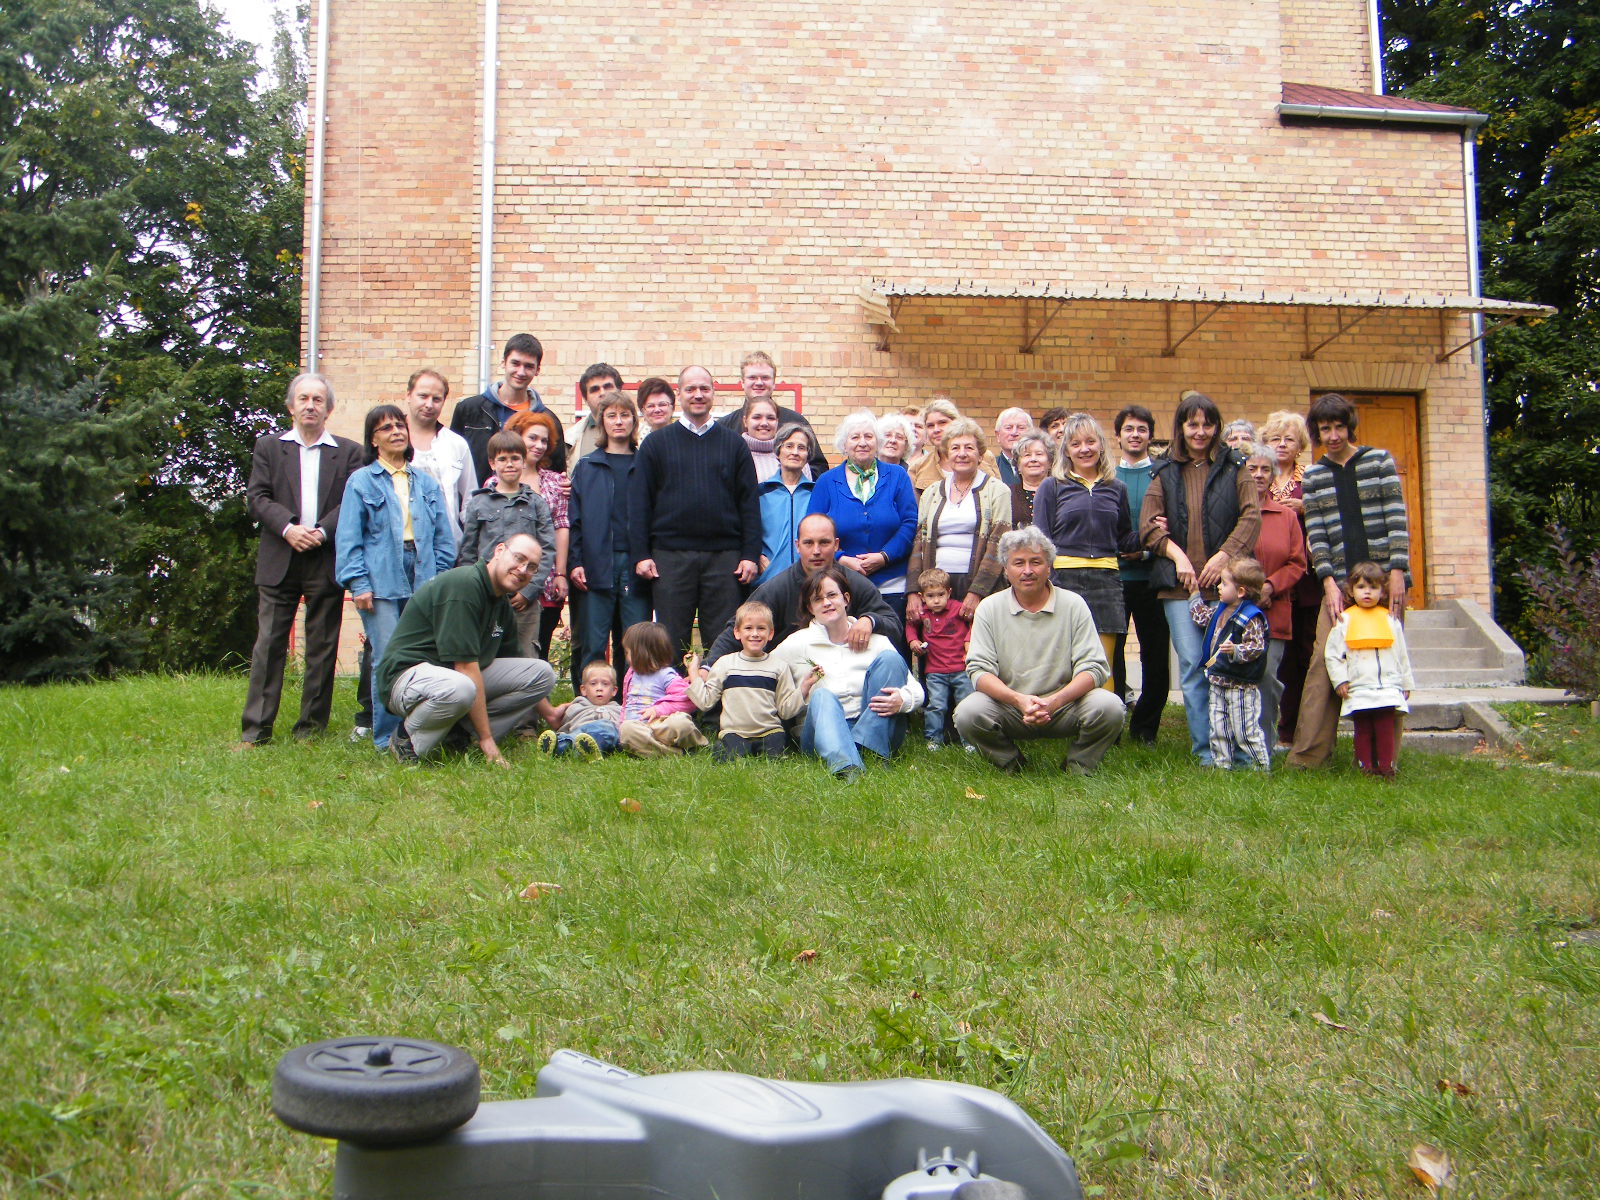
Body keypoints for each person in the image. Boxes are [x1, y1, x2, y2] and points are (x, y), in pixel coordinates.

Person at [239, 372, 364, 747]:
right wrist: (288, 528)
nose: (311, 405)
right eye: (304, 399)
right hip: (280, 557)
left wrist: (322, 531)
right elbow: (257, 497)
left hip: (324, 557)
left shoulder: (350, 452)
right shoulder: (268, 447)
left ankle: (310, 729)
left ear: (329, 408)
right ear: (291, 406)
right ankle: (256, 730)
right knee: (268, 646)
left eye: (318, 400)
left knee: (322, 647)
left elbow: (352, 501)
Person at [1288, 394, 1411, 769]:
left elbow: (1396, 518)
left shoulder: (1379, 461)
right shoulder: (1315, 476)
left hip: (1384, 583)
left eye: (1339, 427)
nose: (1333, 435)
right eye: (1325, 428)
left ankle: (1385, 759)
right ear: (1317, 432)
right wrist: (1327, 581)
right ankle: (1308, 756)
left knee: (1386, 665)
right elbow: (1318, 535)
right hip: (1341, 586)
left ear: (1349, 426)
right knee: (1322, 664)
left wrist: (1397, 572)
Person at [1139, 391, 1261, 765]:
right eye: (1193, 424)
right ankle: (1207, 752)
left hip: (1228, 588)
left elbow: (1251, 517)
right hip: (1181, 589)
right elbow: (1147, 526)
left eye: (1208, 424)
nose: (1200, 431)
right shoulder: (1164, 470)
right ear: (1181, 427)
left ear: (1217, 427)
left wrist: (1224, 557)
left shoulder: (1235, 466)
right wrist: (1178, 557)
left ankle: (1239, 748)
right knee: (1193, 666)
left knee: (1229, 665)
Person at [954, 527, 1125, 774]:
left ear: (1049, 567)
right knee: (968, 713)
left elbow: (1095, 667)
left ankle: (1079, 765)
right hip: (1011, 707)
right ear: (1006, 570)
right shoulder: (989, 608)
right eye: (1018, 563)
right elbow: (979, 671)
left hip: (1066, 705)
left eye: (1036, 562)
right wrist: (1019, 700)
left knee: (1110, 707)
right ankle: (1011, 764)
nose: (1027, 570)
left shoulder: (1074, 604)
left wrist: (1055, 702)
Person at [378, 533, 559, 765]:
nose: (523, 569)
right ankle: (406, 741)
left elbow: (515, 663)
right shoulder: (464, 585)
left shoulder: (501, 602)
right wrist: (487, 739)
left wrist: (550, 713)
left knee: (541, 674)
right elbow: (465, 667)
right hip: (406, 677)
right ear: (499, 551)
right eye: (519, 558)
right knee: (462, 687)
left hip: (449, 680)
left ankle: (460, 736)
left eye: (531, 567)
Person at [334, 404, 457, 750]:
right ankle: (385, 738)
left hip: (423, 575)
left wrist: (439, 581)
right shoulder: (361, 481)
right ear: (373, 440)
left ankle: (414, 731)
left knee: (422, 655)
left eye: (400, 425)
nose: (396, 432)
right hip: (381, 578)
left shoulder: (426, 482)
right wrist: (359, 583)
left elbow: (443, 539)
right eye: (386, 428)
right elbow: (348, 537)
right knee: (387, 656)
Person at [629, 365, 761, 661]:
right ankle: (674, 693)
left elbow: (749, 504)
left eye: (704, 388)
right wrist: (641, 554)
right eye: (690, 389)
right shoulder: (656, 444)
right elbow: (639, 504)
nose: (698, 395)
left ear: (714, 392)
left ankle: (717, 692)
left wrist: (750, 555)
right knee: (670, 642)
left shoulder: (734, 444)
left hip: (725, 560)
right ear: (679, 394)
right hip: (669, 559)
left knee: (724, 642)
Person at [770, 565, 924, 780]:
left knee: (890, 659)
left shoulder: (878, 641)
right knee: (821, 695)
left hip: (873, 725)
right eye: (818, 599)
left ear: (846, 599)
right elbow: (763, 669)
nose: (826, 603)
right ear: (810, 607)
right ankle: (849, 768)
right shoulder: (796, 644)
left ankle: (869, 749)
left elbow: (917, 690)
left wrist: (903, 699)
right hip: (823, 733)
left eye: (832, 595)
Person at [702, 513, 902, 667]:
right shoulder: (776, 589)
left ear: (836, 545)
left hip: (849, 675)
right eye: (808, 543)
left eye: (824, 542)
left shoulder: (857, 584)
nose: (816, 551)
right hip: (791, 681)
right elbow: (737, 627)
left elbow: (894, 625)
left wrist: (869, 620)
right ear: (797, 546)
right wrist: (708, 667)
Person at [1032, 413, 1138, 683]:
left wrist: (1153, 531)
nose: (1084, 449)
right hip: (1063, 580)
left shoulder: (1117, 488)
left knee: (1103, 663)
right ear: (1066, 450)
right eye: (1076, 443)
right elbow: (1040, 541)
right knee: (1063, 661)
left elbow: (1125, 538)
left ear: (1101, 445)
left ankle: (1104, 711)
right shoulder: (1052, 486)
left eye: (1090, 441)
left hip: (1106, 581)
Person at [568, 390, 650, 681]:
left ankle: (632, 698)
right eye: (611, 415)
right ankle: (589, 700)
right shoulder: (587, 466)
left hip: (636, 565)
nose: (618, 421)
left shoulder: (645, 465)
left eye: (625, 415)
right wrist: (575, 561)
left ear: (634, 421)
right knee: (593, 641)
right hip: (596, 564)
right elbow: (575, 520)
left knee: (635, 642)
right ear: (602, 422)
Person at [806, 411, 918, 623]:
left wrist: (884, 556)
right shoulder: (827, 481)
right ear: (844, 444)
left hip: (892, 583)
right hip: (843, 584)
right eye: (855, 437)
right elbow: (812, 530)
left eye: (869, 436)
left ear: (878, 442)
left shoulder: (897, 476)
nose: (862, 443)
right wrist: (841, 558)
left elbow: (909, 523)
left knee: (890, 640)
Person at [905, 418, 1012, 627]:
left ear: (980, 455)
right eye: (955, 448)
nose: (962, 453)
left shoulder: (998, 491)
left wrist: (977, 592)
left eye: (969, 448)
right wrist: (913, 591)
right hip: (936, 589)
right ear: (947, 454)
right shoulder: (931, 493)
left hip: (981, 585)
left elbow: (999, 545)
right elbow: (918, 544)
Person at [457, 431, 556, 657]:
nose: (509, 464)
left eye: (515, 458)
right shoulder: (479, 503)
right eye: (502, 459)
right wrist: (474, 589)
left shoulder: (536, 503)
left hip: (523, 597)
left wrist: (530, 591)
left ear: (524, 461)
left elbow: (547, 549)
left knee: (526, 654)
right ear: (492, 463)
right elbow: (468, 551)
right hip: (487, 593)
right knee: (484, 652)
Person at [1259, 409, 1319, 745]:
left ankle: (1299, 728)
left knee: (1303, 655)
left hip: (1306, 579)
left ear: (1300, 445)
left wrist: (1305, 508)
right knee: (1275, 659)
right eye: (1275, 439)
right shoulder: (1260, 475)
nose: (1282, 444)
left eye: (1289, 439)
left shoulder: (1310, 478)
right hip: (1270, 580)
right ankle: (1274, 728)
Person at [1243, 442, 1307, 751]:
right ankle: (1234, 748)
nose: (1258, 474)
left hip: (1275, 611)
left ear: (1272, 475)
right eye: (1252, 468)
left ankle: (1263, 750)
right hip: (1236, 610)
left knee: (1267, 679)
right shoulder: (1231, 514)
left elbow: (1297, 563)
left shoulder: (1286, 516)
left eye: (1265, 469)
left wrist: (1269, 587)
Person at [1324, 561, 1415, 778]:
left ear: (1382, 591)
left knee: (1385, 729)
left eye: (1373, 587)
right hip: (1359, 687)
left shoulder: (1390, 620)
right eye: (1361, 587)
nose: (1367, 592)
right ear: (1351, 591)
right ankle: (1365, 768)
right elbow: (1333, 654)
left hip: (1387, 686)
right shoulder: (1345, 620)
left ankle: (1386, 768)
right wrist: (1340, 680)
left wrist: (1406, 682)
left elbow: (1401, 653)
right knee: (1363, 729)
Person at [1111, 404, 1168, 745]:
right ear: (1118, 436)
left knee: (1155, 654)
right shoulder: (1107, 475)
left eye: (1141, 429)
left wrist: (1146, 551)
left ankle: (1145, 728)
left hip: (1152, 577)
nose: (1135, 435)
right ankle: (1112, 721)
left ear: (1150, 436)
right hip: (1114, 578)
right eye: (1129, 429)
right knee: (1112, 654)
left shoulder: (1161, 475)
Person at [687, 600, 804, 760]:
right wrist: (693, 671)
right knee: (733, 755)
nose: (755, 633)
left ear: (770, 633)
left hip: (769, 731)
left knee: (774, 755)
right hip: (735, 732)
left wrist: (805, 687)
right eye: (748, 628)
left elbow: (785, 710)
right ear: (737, 632)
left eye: (761, 628)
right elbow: (705, 702)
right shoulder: (725, 664)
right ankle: (725, 747)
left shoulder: (779, 667)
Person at [1187, 556, 1272, 771]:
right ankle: (1222, 766)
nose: (1219, 587)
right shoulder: (1220, 610)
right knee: (1219, 728)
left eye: (1224, 584)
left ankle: (1260, 768)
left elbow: (1257, 647)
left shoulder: (1251, 617)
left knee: (1244, 730)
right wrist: (1194, 595)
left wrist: (1236, 650)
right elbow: (1201, 617)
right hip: (1217, 680)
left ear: (1241, 591)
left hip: (1240, 685)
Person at [450, 333, 565, 487]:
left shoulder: (548, 420)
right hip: (476, 498)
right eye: (515, 363)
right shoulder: (469, 410)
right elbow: (452, 462)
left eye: (529, 366)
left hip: (530, 500)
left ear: (537, 370)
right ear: (503, 363)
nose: (521, 372)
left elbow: (556, 472)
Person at [506, 410, 572, 669]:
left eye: (544, 440)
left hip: (546, 579)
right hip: (509, 579)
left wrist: (561, 573)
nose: (539, 445)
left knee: (539, 651)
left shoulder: (556, 482)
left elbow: (562, 526)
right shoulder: (497, 481)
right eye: (532, 438)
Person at [715, 351, 828, 476]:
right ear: (742, 382)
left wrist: (792, 480)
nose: (759, 383)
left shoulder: (796, 422)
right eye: (752, 377)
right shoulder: (724, 427)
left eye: (765, 378)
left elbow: (819, 468)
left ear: (774, 383)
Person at [616, 620, 708, 757]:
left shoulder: (666, 675)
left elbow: (688, 701)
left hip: (661, 725)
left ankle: (694, 743)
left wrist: (658, 710)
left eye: (628, 652)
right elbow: (626, 702)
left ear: (642, 653)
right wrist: (622, 723)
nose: (626, 657)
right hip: (639, 727)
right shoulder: (631, 674)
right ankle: (675, 753)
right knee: (627, 729)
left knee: (681, 723)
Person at [908, 568, 973, 750]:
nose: (936, 600)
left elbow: (974, 620)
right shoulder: (923, 613)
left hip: (961, 668)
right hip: (935, 671)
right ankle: (933, 739)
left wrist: (968, 641)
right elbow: (910, 624)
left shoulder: (958, 608)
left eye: (940, 595)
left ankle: (969, 740)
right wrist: (913, 640)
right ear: (922, 597)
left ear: (949, 592)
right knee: (936, 706)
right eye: (930, 596)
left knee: (966, 705)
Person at [403, 368, 474, 531]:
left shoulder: (456, 444)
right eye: (423, 396)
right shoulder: (390, 439)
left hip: (446, 541)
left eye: (436, 399)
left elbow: (471, 500)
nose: (429, 405)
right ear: (408, 395)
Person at [757, 422, 819, 584]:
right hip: (769, 581)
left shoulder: (817, 493)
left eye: (801, 448)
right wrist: (757, 555)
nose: (795, 452)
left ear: (808, 455)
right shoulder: (760, 492)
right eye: (789, 446)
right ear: (778, 451)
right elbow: (748, 531)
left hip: (809, 582)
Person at [537, 660, 624, 761]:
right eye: (593, 684)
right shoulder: (576, 706)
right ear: (583, 689)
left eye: (605, 684)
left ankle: (585, 749)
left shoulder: (620, 710)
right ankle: (556, 747)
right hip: (578, 734)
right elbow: (566, 726)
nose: (599, 688)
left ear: (614, 690)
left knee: (607, 728)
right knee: (568, 738)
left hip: (605, 735)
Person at [565, 362, 624, 465]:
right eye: (595, 389)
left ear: (620, 391)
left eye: (607, 386)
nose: (602, 393)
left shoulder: (643, 434)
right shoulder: (570, 439)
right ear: (585, 399)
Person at [1007, 430, 1053, 527]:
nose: (1033, 459)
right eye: (1027, 455)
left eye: (1039, 454)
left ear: (1050, 462)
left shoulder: (1061, 493)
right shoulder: (1007, 494)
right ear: (1018, 465)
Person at [991, 407, 1035, 487]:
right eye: (1008, 428)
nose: (1014, 433)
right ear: (998, 435)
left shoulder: (1040, 465)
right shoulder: (991, 468)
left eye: (1021, 428)